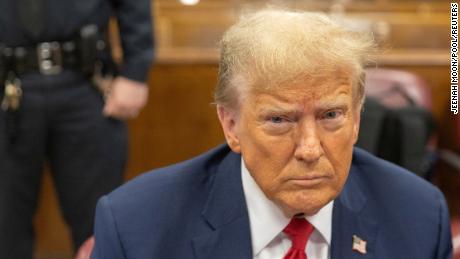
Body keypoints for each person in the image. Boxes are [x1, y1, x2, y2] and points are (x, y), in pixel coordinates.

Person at [91, 9, 452, 259]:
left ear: (356, 119)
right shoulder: (138, 226)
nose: (310, 149)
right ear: (231, 125)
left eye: (330, 115)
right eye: (280, 120)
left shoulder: (417, 214)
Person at [0, 0, 154, 258]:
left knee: (100, 225)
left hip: (86, 82)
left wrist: (136, 71)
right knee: (4, 227)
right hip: (6, 84)